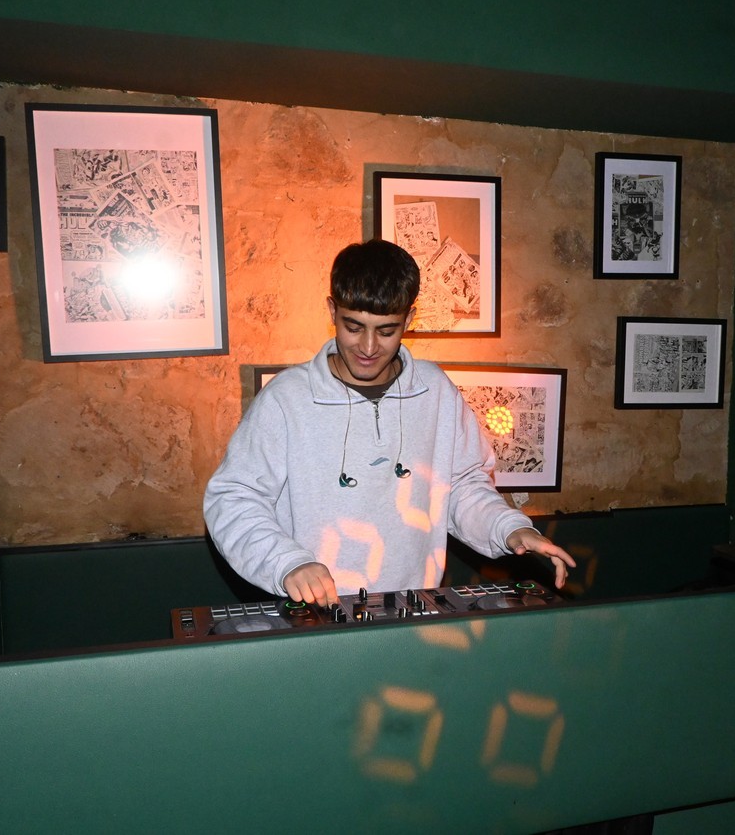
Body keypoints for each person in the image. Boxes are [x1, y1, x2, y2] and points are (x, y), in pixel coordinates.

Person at [203, 239, 575, 607]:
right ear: (332, 311)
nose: (368, 347)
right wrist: (288, 563)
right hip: (315, 615)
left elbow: (462, 487)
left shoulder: (436, 391)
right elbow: (233, 499)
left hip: (416, 612)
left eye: (386, 331)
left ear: (409, 320)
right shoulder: (286, 399)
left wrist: (510, 528)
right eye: (353, 327)